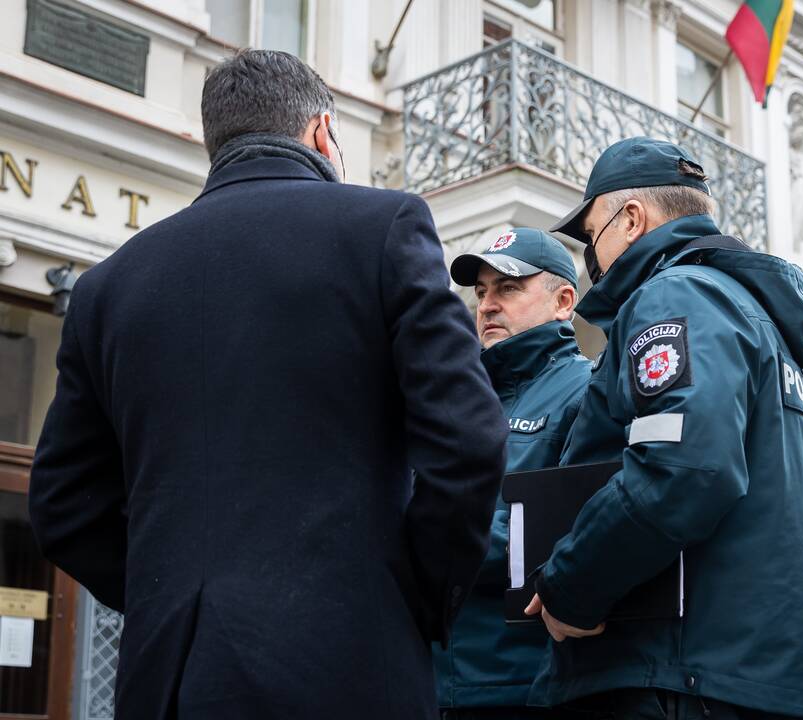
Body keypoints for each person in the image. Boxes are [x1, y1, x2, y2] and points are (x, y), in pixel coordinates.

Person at [28, 49, 506, 720]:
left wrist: (168, 594)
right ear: (321, 133)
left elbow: (62, 507)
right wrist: (411, 596)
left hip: (166, 677)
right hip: (345, 668)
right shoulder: (383, 229)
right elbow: (468, 439)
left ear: (212, 142)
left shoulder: (109, 286)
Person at [524, 137, 803, 719]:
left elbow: (683, 470)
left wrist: (568, 586)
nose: (593, 257)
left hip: (672, 676)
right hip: (741, 677)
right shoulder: (756, 318)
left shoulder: (675, 295)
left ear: (632, 219)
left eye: (592, 236)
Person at [432, 227, 593, 719]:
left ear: (564, 300)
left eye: (508, 287)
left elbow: (572, 538)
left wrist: (418, 544)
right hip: (436, 684)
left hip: (527, 685)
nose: (487, 305)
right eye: (481, 292)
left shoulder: (588, 393)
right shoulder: (454, 401)